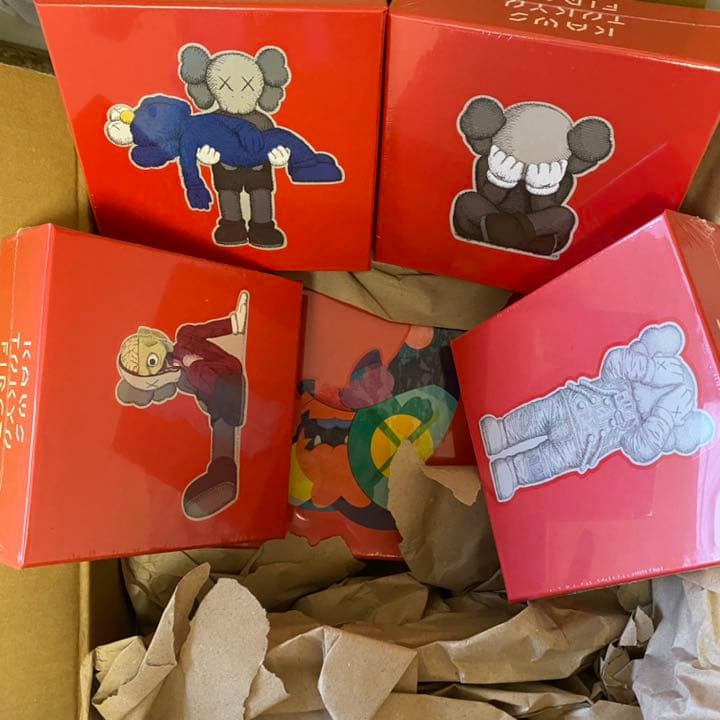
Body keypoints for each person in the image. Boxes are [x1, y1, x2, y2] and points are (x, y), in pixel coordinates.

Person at [116, 292, 249, 520]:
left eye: (151, 359)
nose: (157, 365)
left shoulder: (184, 344)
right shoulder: (176, 370)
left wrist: (192, 362)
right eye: (151, 369)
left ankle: (224, 474)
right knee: (220, 423)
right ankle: (223, 476)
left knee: (222, 419)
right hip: (219, 396)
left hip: (226, 383)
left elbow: (207, 369)